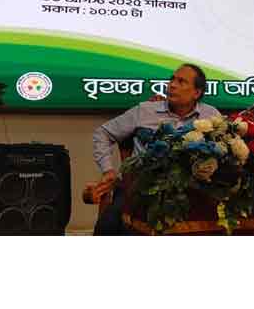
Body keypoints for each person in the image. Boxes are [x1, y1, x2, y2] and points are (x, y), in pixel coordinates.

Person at [89, 63, 220, 235]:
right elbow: (103, 133)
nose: (172, 85)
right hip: (138, 189)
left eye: (181, 82)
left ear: (197, 92)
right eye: (172, 80)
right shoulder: (145, 110)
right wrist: (108, 170)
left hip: (193, 192)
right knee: (108, 225)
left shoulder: (211, 116)